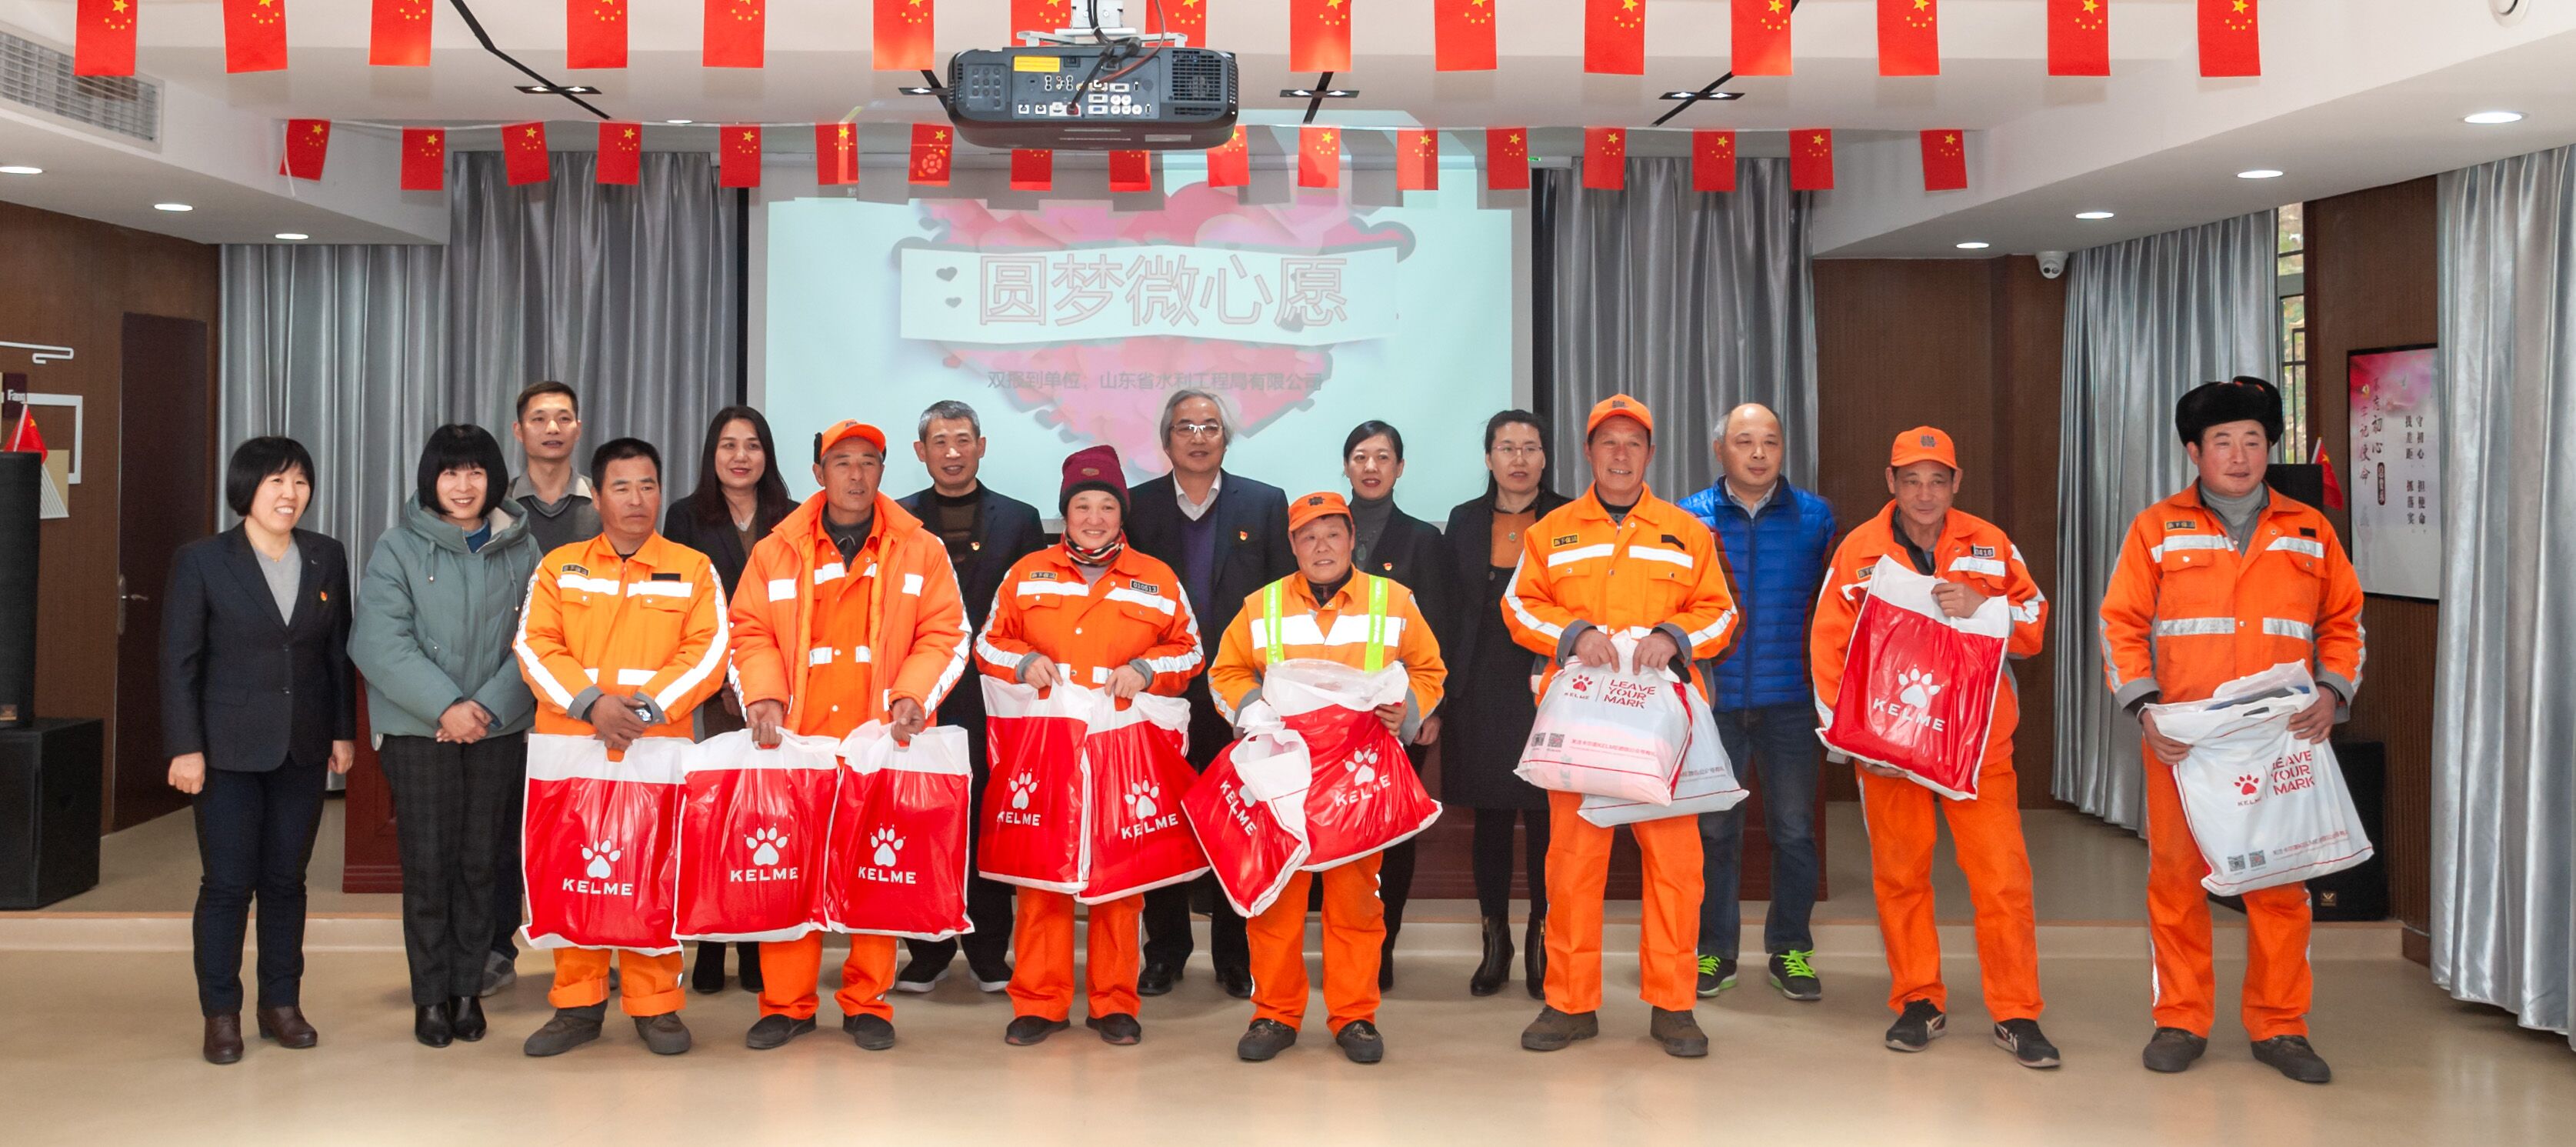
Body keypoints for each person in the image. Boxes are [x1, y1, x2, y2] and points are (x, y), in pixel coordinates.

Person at [2099, 377, 2364, 1085]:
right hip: (2184, 742)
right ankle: (2180, 1018)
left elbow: (2344, 622)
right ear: (2194, 451)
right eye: (2222, 442)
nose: (2240, 455)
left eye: (2252, 440)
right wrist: (2145, 709)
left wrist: (2332, 691)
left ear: (2268, 446)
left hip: (2281, 740)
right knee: (2176, 880)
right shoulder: (2156, 528)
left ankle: (2280, 1024)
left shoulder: (2309, 528)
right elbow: (2119, 623)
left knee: (2278, 882)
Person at [1808, 425, 2059, 1069]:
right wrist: (1847, 734)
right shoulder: (1858, 550)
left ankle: (2016, 1011)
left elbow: (2034, 624)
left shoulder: (1990, 544)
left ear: (1956, 483)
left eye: (1937, 480)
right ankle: (1917, 998)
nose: (1924, 493)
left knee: (2002, 880)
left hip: (1978, 747)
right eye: (1911, 480)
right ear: (1890, 483)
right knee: (1900, 877)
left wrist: (1985, 607)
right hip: (1890, 748)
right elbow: (1827, 643)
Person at [1501, 394, 1737, 1059]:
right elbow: (1518, 604)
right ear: (1588, 452)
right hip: (1580, 727)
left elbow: (1720, 614)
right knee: (1572, 867)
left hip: (1662, 732)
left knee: (1676, 868)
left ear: (1650, 454)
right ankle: (1569, 1003)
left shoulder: (1686, 531)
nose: (1620, 453)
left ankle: (1673, 1004)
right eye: (1608, 441)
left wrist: (1674, 636)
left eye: (1633, 442)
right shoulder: (1551, 532)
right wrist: (1573, 634)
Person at [731, 420, 970, 1053]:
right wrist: (763, 696)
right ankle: (786, 1004)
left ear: (884, 471)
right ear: (818, 473)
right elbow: (748, 630)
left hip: (880, 742)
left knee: (877, 871)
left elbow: (945, 631)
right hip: (796, 743)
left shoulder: (920, 548)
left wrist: (913, 695)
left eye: (868, 461)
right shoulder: (776, 549)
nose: (856, 474)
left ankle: (868, 1002)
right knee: (789, 873)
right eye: (841, 461)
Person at [973, 445, 1202, 1047]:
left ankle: (1114, 1002)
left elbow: (1189, 651)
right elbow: (988, 643)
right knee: (1041, 877)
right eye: (1082, 506)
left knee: (1119, 878)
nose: (1094, 518)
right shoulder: (1027, 573)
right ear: (1065, 513)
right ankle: (1039, 1001)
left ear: (1121, 513)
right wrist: (1023, 661)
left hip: (1120, 749)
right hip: (1048, 747)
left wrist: (1147, 670)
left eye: (1106, 506)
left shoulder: (1157, 578)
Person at [1208, 491, 1447, 1065]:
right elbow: (1225, 671)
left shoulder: (1393, 600)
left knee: (1356, 901)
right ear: (1292, 545)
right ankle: (1274, 1013)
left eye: (1333, 534)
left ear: (1352, 540)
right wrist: (1252, 709)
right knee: (1275, 899)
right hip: (1281, 776)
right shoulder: (1261, 605)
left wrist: (1406, 710)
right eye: (1308, 536)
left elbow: (1429, 667)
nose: (1322, 546)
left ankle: (1355, 1016)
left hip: (1357, 778)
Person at [512, 438, 729, 1057]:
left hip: (654, 749)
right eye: (622, 486)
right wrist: (591, 705)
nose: (637, 499)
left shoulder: (692, 568)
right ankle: (576, 1005)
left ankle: (655, 1005)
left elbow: (709, 652)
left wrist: (641, 709)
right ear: (598, 496)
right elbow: (534, 644)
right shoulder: (560, 566)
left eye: (648, 485)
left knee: (653, 874)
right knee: (575, 875)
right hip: (572, 749)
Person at [161, 436, 355, 1065]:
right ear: (247, 489)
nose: (290, 493)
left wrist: (342, 731)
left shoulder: (326, 555)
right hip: (224, 750)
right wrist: (185, 746)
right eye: (276, 481)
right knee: (226, 884)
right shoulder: (203, 560)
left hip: (303, 745)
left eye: (299, 481)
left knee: (286, 881)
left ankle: (281, 1003)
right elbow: (178, 662)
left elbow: (336, 653)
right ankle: (220, 1012)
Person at [349, 425, 542, 1049]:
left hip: (496, 727)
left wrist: (484, 706)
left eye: (475, 471)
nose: (463, 485)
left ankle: (467, 989)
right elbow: (379, 641)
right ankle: (430, 996)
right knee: (429, 864)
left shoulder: (523, 547)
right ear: (431, 478)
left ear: (493, 479)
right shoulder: (397, 547)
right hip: (420, 729)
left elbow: (538, 640)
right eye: (450, 472)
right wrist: (447, 705)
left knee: (481, 862)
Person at [1123, 388, 1295, 999]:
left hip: (1239, 693)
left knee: (1235, 822)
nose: (1198, 437)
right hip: (1160, 692)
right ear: (1165, 440)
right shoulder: (1137, 507)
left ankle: (1233, 954)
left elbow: (1280, 600)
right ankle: (1165, 951)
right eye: (1185, 427)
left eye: (1210, 426)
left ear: (1227, 437)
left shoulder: (1265, 503)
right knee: (1159, 822)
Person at [1675, 404, 1838, 1001]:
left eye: (1770, 440)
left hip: (1790, 701)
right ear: (1719, 449)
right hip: (1713, 702)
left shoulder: (1815, 517)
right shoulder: (1687, 517)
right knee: (1714, 831)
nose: (1759, 453)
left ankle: (1790, 948)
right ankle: (1713, 951)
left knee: (1793, 831)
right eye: (1744, 441)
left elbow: (1834, 610)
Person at [894, 400, 1047, 995]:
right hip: (919, 691)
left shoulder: (1020, 518)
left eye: (962, 439)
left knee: (988, 816)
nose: (952, 451)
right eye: (939, 440)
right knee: (921, 816)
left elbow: (1029, 607)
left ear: (981, 446)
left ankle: (988, 949)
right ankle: (926, 949)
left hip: (993, 693)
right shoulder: (898, 519)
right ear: (920, 451)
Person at [661, 405, 795, 996]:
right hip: (712, 694)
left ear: (767, 454)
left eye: (752, 444)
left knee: (768, 819)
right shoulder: (685, 516)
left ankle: (759, 944)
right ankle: (712, 942)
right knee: (714, 818)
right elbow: (681, 609)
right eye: (728, 445)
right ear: (711, 454)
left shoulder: (793, 518)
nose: (741, 456)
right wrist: (719, 682)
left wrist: (765, 687)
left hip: (777, 693)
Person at [1440, 411, 1571, 999]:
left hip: (1548, 686)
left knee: (1546, 819)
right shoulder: (1464, 519)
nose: (1518, 459)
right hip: (1479, 686)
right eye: (1506, 447)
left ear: (1544, 457)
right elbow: (1448, 609)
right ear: (1488, 457)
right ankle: (1496, 942)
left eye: (1530, 447)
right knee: (1490, 820)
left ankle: (1543, 941)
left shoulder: (1569, 517)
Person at [485, 379, 598, 996]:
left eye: (563, 417)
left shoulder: (602, 504)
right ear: (518, 430)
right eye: (538, 418)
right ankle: (497, 947)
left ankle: (593, 939)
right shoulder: (492, 506)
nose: (551, 428)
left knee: (585, 827)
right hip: (510, 691)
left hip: (585, 695)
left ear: (578, 428)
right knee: (502, 828)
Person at [1337, 420, 1452, 989]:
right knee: (1336, 830)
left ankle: (1381, 946)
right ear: (1346, 466)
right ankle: (1343, 943)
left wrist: (1427, 709)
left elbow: (1438, 632)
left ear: (1400, 468)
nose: (1371, 466)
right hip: (1330, 717)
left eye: (1383, 457)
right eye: (1361, 456)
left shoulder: (1422, 540)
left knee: (1390, 832)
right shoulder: (1320, 532)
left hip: (1396, 715)